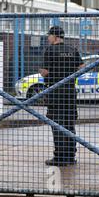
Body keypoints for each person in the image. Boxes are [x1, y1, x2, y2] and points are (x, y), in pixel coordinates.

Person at [39, 26, 84, 167]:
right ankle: (70, 156)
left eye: (49, 35)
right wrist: (69, 75)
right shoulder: (73, 49)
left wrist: (44, 71)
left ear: (55, 36)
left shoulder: (50, 50)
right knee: (69, 124)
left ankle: (59, 156)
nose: (48, 38)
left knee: (57, 124)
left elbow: (44, 72)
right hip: (70, 93)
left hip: (55, 93)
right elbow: (82, 67)